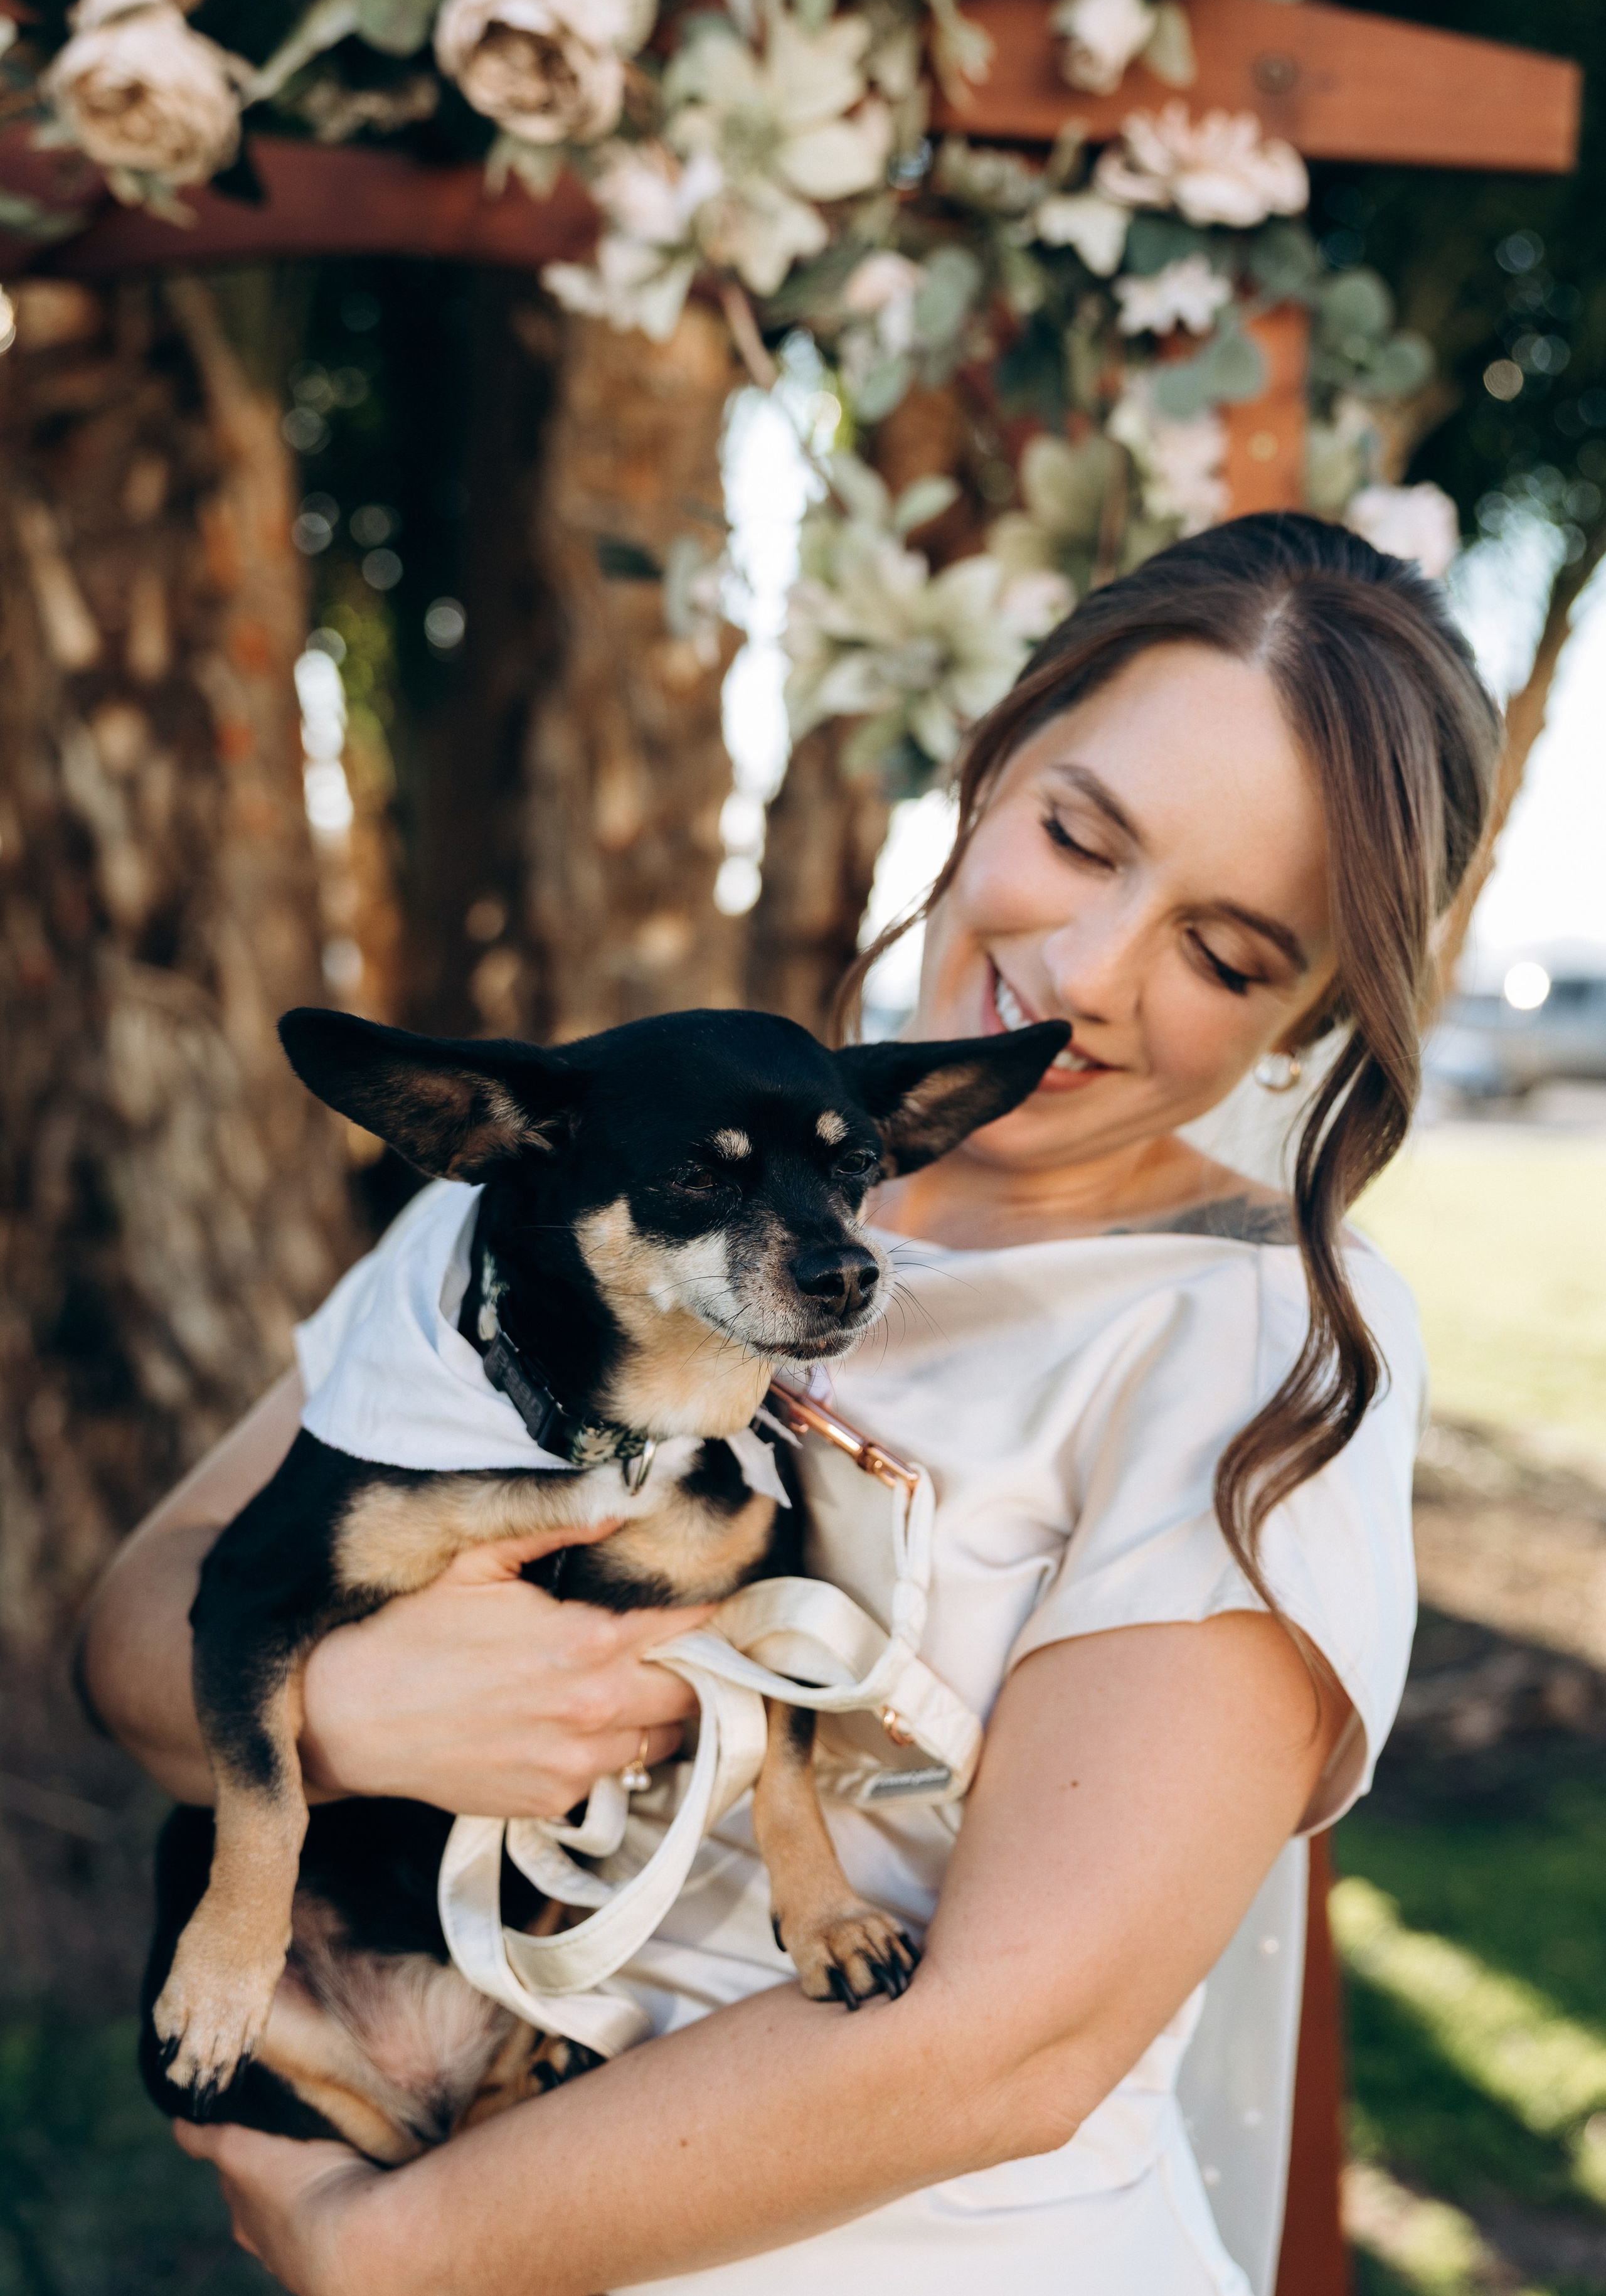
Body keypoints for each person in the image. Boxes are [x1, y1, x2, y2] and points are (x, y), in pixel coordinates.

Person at [80, 512, 1500, 2296]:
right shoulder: (583, 1182)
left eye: (1227, 954)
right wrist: (356, 1700)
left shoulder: (1253, 1341)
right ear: (990, 764)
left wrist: (393, 2248)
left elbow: (1012, 2042)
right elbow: (155, 1602)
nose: (1083, 977)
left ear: (1308, 1023)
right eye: (1078, 834)